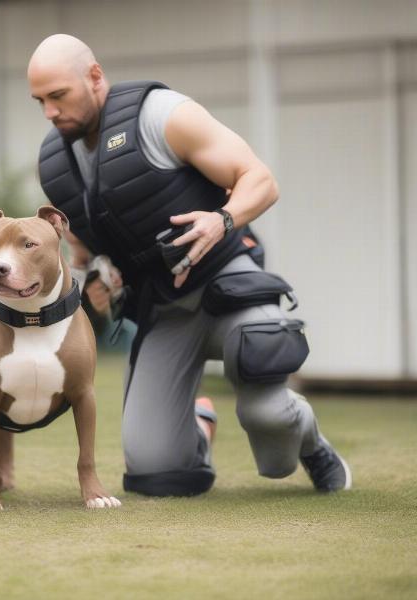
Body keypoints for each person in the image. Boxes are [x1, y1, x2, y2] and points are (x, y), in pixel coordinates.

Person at [27, 34, 352, 496]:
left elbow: (261, 180)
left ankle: (312, 444)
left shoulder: (161, 114)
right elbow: (82, 252)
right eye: (39, 100)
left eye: (58, 95)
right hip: (167, 311)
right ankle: (200, 425)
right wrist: (96, 279)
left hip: (229, 288)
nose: (49, 112)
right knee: (156, 472)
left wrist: (223, 219)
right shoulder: (55, 163)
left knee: (268, 423)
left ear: (95, 76)